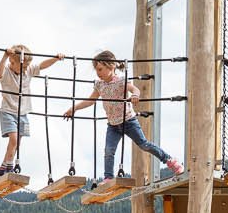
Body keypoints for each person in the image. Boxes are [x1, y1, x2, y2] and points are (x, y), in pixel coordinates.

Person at [62, 50, 182, 185]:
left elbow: (135, 89)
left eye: (100, 69)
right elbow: (90, 101)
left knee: (144, 145)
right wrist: (74, 109)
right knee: (109, 151)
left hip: (128, 121)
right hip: (113, 125)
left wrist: (136, 95)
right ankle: (108, 178)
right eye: (96, 70)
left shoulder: (121, 81)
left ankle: (171, 161)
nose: (98, 73)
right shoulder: (99, 85)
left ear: (111, 66)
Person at [0, 43, 61, 176]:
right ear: (12, 62)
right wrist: (5, 56)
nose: (25, 69)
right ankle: (9, 166)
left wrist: (55, 58)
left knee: (17, 143)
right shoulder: (7, 71)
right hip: (8, 112)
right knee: (13, 140)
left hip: (23, 114)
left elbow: (42, 65)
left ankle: (3, 167)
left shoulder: (28, 70)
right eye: (22, 66)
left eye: (25, 66)